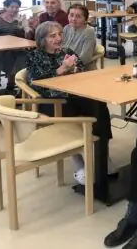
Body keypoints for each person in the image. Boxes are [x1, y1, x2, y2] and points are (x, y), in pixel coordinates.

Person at [26, 21, 113, 185]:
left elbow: (81, 72)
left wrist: (73, 69)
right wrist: (62, 69)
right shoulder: (35, 56)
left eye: (60, 34)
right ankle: (80, 165)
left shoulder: (67, 51)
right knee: (76, 113)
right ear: (42, 39)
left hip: (74, 95)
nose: (58, 39)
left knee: (100, 106)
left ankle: (102, 155)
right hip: (52, 102)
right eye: (52, 36)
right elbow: (37, 83)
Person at [0, 0, 34, 91]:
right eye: (12, 7)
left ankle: (12, 82)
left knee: (23, 55)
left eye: (17, 7)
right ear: (6, 7)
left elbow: (25, 37)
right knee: (7, 56)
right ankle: (1, 82)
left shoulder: (19, 18)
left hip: (15, 46)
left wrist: (24, 27)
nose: (14, 9)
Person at [63, 4, 97, 69]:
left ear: (85, 19)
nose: (73, 19)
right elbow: (60, 48)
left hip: (80, 68)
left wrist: (65, 65)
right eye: (71, 15)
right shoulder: (67, 28)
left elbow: (85, 58)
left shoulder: (89, 32)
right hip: (64, 64)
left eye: (78, 16)